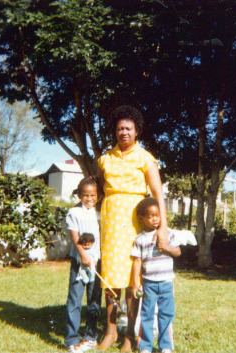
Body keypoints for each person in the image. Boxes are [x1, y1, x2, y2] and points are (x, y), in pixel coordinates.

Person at [97, 105, 168, 352]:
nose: (123, 132)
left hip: (135, 223)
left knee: (132, 278)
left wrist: (163, 229)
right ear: (114, 132)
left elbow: (158, 194)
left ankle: (129, 335)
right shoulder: (105, 158)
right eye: (119, 129)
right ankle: (110, 331)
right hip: (110, 222)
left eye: (128, 128)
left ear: (136, 131)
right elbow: (97, 188)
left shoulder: (146, 158)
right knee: (110, 278)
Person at [131, 197, 182, 353]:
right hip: (149, 284)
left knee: (166, 315)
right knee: (146, 315)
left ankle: (165, 346)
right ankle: (145, 346)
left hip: (166, 282)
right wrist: (135, 283)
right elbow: (137, 262)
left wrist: (166, 247)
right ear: (141, 218)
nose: (155, 219)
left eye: (157, 216)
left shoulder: (168, 233)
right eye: (150, 216)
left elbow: (178, 252)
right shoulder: (139, 239)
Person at [64, 177, 102, 353]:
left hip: (97, 262)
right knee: (75, 299)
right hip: (80, 262)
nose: (89, 198)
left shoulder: (100, 212)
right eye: (85, 195)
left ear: (98, 196)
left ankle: (90, 336)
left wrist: (94, 258)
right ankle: (72, 338)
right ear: (79, 195)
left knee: (94, 300)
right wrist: (83, 254)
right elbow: (74, 236)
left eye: (93, 195)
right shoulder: (74, 212)